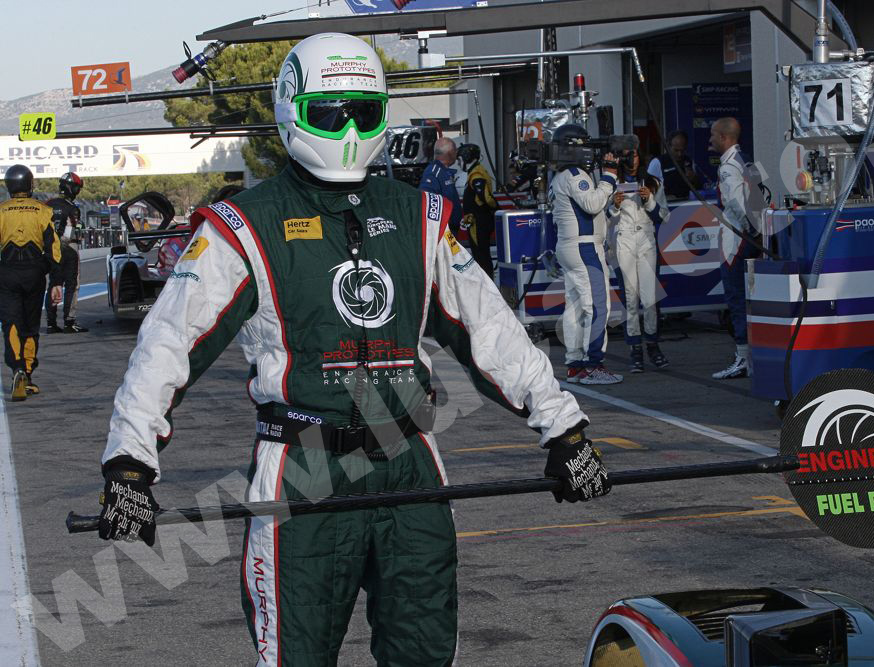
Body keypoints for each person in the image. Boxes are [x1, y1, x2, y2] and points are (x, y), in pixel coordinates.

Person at [96, 33, 610, 667]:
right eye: (329, 112)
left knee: (424, 651)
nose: (347, 130)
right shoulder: (243, 227)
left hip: (409, 455)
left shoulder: (422, 217)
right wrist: (129, 464)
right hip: (303, 467)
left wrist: (564, 430)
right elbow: (167, 345)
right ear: (292, 110)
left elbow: (492, 330)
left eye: (363, 113)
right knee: (297, 655)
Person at [548, 124, 623, 385]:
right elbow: (592, 204)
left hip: (570, 246)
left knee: (575, 307)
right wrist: (609, 176)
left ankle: (575, 364)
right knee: (597, 306)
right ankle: (593, 366)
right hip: (584, 247)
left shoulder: (558, 176)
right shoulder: (574, 174)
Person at [0, 165, 63, 400]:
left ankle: (16, 368)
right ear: (30, 184)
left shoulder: (1, 211)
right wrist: (57, 281)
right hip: (34, 275)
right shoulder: (42, 211)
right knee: (30, 326)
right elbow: (54, 248)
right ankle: (27, 374)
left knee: (11, 324)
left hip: (7, 274)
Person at [608, 149, 669, 373]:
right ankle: (635, 348)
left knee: (650, 297)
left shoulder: (653, 182)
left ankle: (653, 344)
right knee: (630, 297)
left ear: (639, 157)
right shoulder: (611, 183)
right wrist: (614, 205)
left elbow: (664, 216)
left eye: (634, 155)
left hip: (646, 239)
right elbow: (604, 217)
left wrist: (649, 200)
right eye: (626, 156)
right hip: (623, 239)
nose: (631, 160)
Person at [709, 117, 758, 379]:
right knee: (750, 300)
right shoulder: (746, 159)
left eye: (713, 135)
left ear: (724, 137)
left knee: (736, 298)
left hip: (737, 240)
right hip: (752, 239)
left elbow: (737, 204)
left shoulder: (729, 166)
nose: (710, 140)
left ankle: (743, 357)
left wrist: (749, 230)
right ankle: (752, 355)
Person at [45, 172, 88, 333]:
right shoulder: (72, 208)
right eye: (77, 188)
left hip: (50, 248)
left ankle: (51, 324)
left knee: (53, 284)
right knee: (72, 285)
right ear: (72, 188)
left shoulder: (48, 203)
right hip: (68, 247)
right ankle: (69, 322)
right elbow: (72, 232)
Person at [456, 143, 498, 277]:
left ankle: (487, 283)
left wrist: (496, 209)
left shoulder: (476, 174)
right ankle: (486, 281)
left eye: (459, 160)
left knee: (481, 255)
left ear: (466, 158)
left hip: (478, 222)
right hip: (478, 220)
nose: (458, 163)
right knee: (480, 254)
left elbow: (486, 197)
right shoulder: (475, 172)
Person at [420, 136, 463, 235]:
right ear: (450, 153)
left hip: (450, 229)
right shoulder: (433, 173)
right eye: (455, 151)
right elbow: (427, 204)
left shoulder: (444, 172)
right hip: (443, 232)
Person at [648, 130, 700, 201]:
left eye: (682, 150)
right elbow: (648, 188)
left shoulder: (689, 161)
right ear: (668, 146)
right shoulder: (657, 162)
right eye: (676, 150)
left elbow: (698, 187)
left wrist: (694, 179)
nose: (679, 154)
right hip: (666, 202)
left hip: (687, 202)